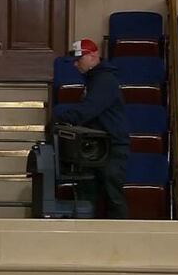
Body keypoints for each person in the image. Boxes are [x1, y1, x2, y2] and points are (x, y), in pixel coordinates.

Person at [52, 38, 130, 218]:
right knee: (92, 195)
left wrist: (61, 116)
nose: (75, 64)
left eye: (79, 59)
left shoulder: (104, 80)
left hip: (112, 146)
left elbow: (88, 110)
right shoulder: (95, 79)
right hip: (99, 146)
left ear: (94, 56)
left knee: (113, 197)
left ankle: (121, 239)